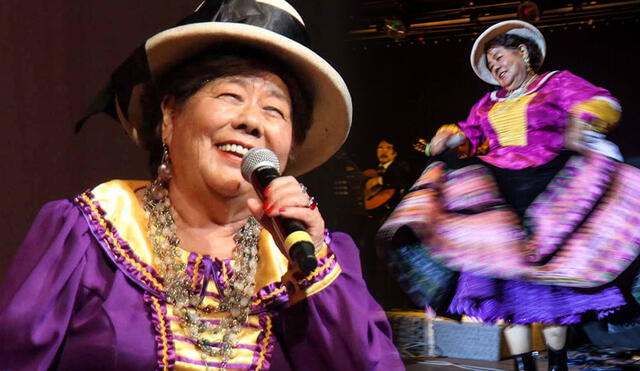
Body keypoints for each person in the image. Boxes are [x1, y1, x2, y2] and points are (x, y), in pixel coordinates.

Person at [0, 1, 404, 370]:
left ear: (290, 148)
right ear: (171, 117)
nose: (252, 121)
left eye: (274, 109)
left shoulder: (313, 259)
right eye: (230, 95)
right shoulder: (88, 232)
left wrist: (309, 265)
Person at [378, 20, 640, 371]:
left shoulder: (556, 83)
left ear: (523, 52)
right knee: (507, 292)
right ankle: (523, 365)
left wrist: (584, 118)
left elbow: (601, 101)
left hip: (549, 191)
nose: (496, 66)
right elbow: (470, 134)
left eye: (500, 57)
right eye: (491, 63)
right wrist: (451, 135)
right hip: (501, 199)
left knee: (552, 291)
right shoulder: (487, 104)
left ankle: (557, 362)